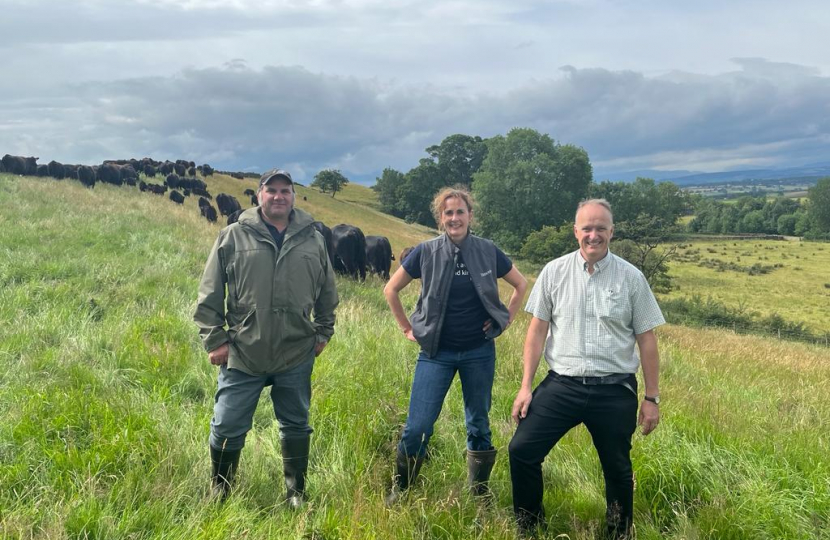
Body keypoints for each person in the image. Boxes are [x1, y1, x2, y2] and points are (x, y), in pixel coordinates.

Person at [508, 199, 664, 538]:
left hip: (614, 390)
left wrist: (652, 398)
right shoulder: (554, 271)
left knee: (617, 468)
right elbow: (536, 332)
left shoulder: (631, 277)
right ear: (575, 231)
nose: (594, 235)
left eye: (601, 228)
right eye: (587, 228)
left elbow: (647, 339)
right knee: (521, 451)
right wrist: (525, 387)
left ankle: (617, 533)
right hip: (561, 385)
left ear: (612, 232)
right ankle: (529, 527)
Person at [193, 168, 338, 508]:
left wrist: (323, 331)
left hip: (295, 352)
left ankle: (295, 493)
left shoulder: (313, 238)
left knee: (296, 425)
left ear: (294, 197)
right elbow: (210, 292)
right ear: (259, 195)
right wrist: (215, 339)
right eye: (271, 190)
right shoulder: (232, 236)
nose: (278, 196)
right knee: (227, 424)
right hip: (244, 351)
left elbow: (327, 292)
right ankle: (221, 490)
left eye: (285, 191)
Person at [383, 186, 527, 504]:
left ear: (470, 215)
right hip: (436, 353)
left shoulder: (488, 250)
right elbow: (391, 290)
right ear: (440, 218)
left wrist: (505, 320)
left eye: (460, 211)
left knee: (478, 422)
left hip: (478, 351)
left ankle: (479, 494)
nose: (454, 217)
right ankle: (402, 490)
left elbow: (520, 284)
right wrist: (406, 327)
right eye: (448, 213)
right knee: (418, 426)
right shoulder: (426, 251)